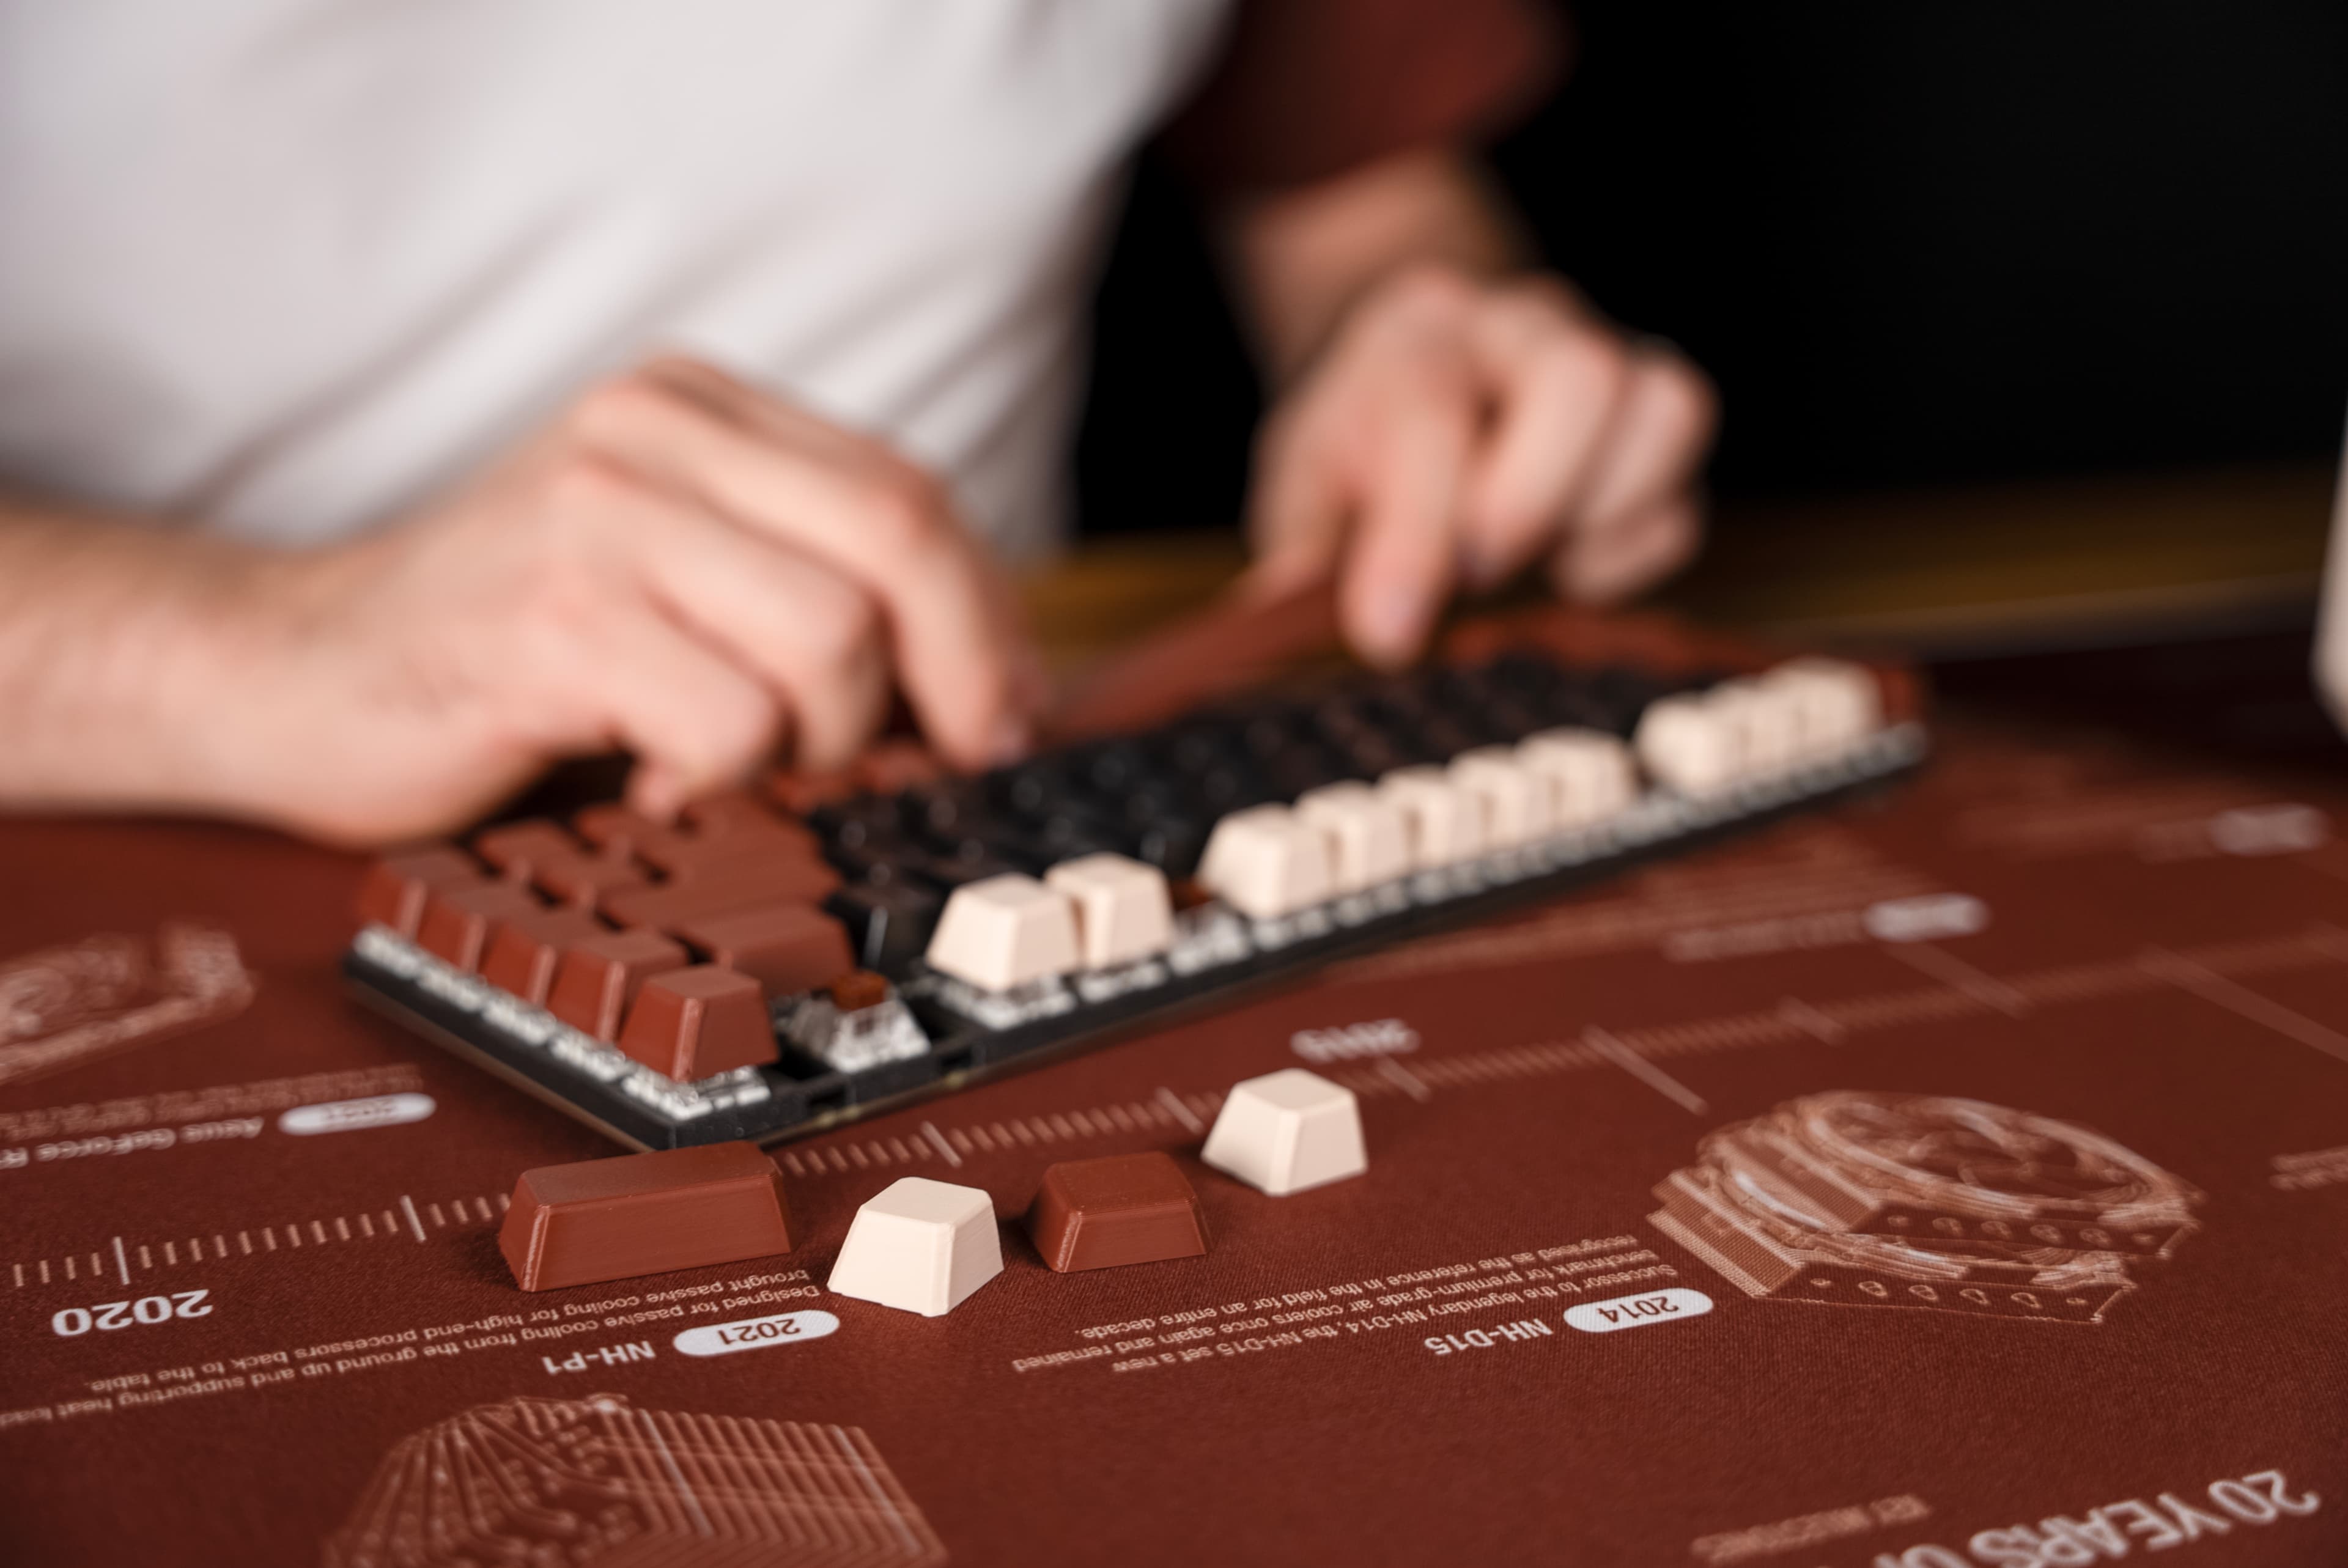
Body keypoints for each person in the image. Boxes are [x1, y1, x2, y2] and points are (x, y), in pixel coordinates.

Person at [0, 0, 1714, 845]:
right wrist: (252, 648)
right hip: (138, 811)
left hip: (1008, 788)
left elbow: (1354, 189)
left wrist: (1425, 344)